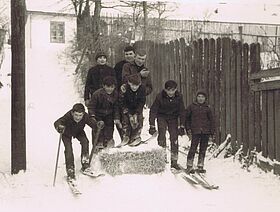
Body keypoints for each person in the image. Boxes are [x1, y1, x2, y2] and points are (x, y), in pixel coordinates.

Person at [54, 103, 103, 181]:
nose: (78, 118)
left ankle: (85, 164)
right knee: (69, 150)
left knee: (85, 142)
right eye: (76, 115)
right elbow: (57, 122)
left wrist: (98, 125)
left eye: (80, 115)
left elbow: (92, 124)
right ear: (72, 113)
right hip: (66, 133)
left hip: (78, 131)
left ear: (83, 114)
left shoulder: (86, 117)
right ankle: (70, 170)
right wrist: (59, 127)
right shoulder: (68, 116)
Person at [148, 80, 185, 170]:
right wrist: (152, 125)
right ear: (165, 90)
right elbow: (153, 111)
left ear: (176, 89)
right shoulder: (159, 97)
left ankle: (174, 161)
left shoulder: (179, 97)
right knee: (162, 135)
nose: (171, 92)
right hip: (162, 116)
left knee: (174, 137)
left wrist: (182, 125)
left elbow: (182, 111)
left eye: (173, 90)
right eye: (169, 90)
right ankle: (162, 159)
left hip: (173, 118)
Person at [184, 90, 215, 174]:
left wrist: (212, 132)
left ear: (205, 98)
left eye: (202, 97)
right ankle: (189, 165)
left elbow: (211, 120)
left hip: (205, 131)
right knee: (193, 148)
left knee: (203, 149)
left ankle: (200, 165)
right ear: (196, 97)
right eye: (199, 97)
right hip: (195, 131)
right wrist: (188, 129)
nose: (201, 99)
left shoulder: (207, 108)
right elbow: (186, 119)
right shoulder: (191, 107)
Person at [87, 76, 121, 150]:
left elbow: (116, 107)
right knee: (98, 130)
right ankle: (97, 145)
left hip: (109, 115)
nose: (110, 89)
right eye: (108, 87)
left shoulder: (115, 94)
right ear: (104, 86)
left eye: (112, 87)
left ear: (114, 87)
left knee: (109, 129)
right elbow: (91, 106)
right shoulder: (97, 94)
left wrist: (116, 117)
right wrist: (92, 116)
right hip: (98, 115)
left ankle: (108, 144)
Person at [113, 46, 135, 139]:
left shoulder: (138, 64)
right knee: (122, 118)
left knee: (134, 119)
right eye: (126, 54)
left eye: (131, 54)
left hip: (134, 97)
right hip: (121, 95)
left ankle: (133, 138)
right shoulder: (119, 65)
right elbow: (115, 80)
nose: (129, 56)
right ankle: (123, 138)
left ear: (134, 54)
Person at [118, 74, 146, 146]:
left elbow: (142, 101)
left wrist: (137, 113)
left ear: (139, 84)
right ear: (129, 83)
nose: (134, 87)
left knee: (138, 120)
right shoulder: (124, 88)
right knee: (126, 121)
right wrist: (128, 113)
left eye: (136, 86)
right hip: (126, 108)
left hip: (137, 108)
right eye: (132, 85)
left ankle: (135, 136)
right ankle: (125, 136)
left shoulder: (142, 88)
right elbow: (121, 101)